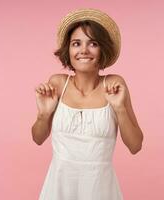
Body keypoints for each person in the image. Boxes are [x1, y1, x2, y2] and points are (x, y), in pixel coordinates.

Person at [32, 8, 144, 200]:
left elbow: (135, 146)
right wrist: (44, 114)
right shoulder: (58, 83)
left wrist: (119, 108)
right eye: (76, 43)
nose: (83, 50)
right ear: (69, 49)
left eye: (93, 43)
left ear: (103, 49)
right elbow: (38, 138)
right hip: (59, 188)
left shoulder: (114, 84)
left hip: (100, 189)